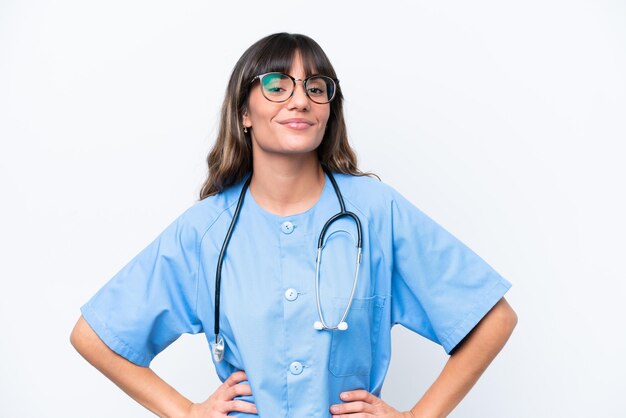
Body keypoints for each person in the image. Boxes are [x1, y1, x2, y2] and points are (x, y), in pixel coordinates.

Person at [70, 32, 517, 418]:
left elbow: (492, 318)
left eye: (316, 88)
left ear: (327, 111)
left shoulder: (377, 212)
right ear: (244, 112)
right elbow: (94, 336)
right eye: (276, 85)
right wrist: (185, 410)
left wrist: (421, 415)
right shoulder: (205, 230)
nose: (300, 99)